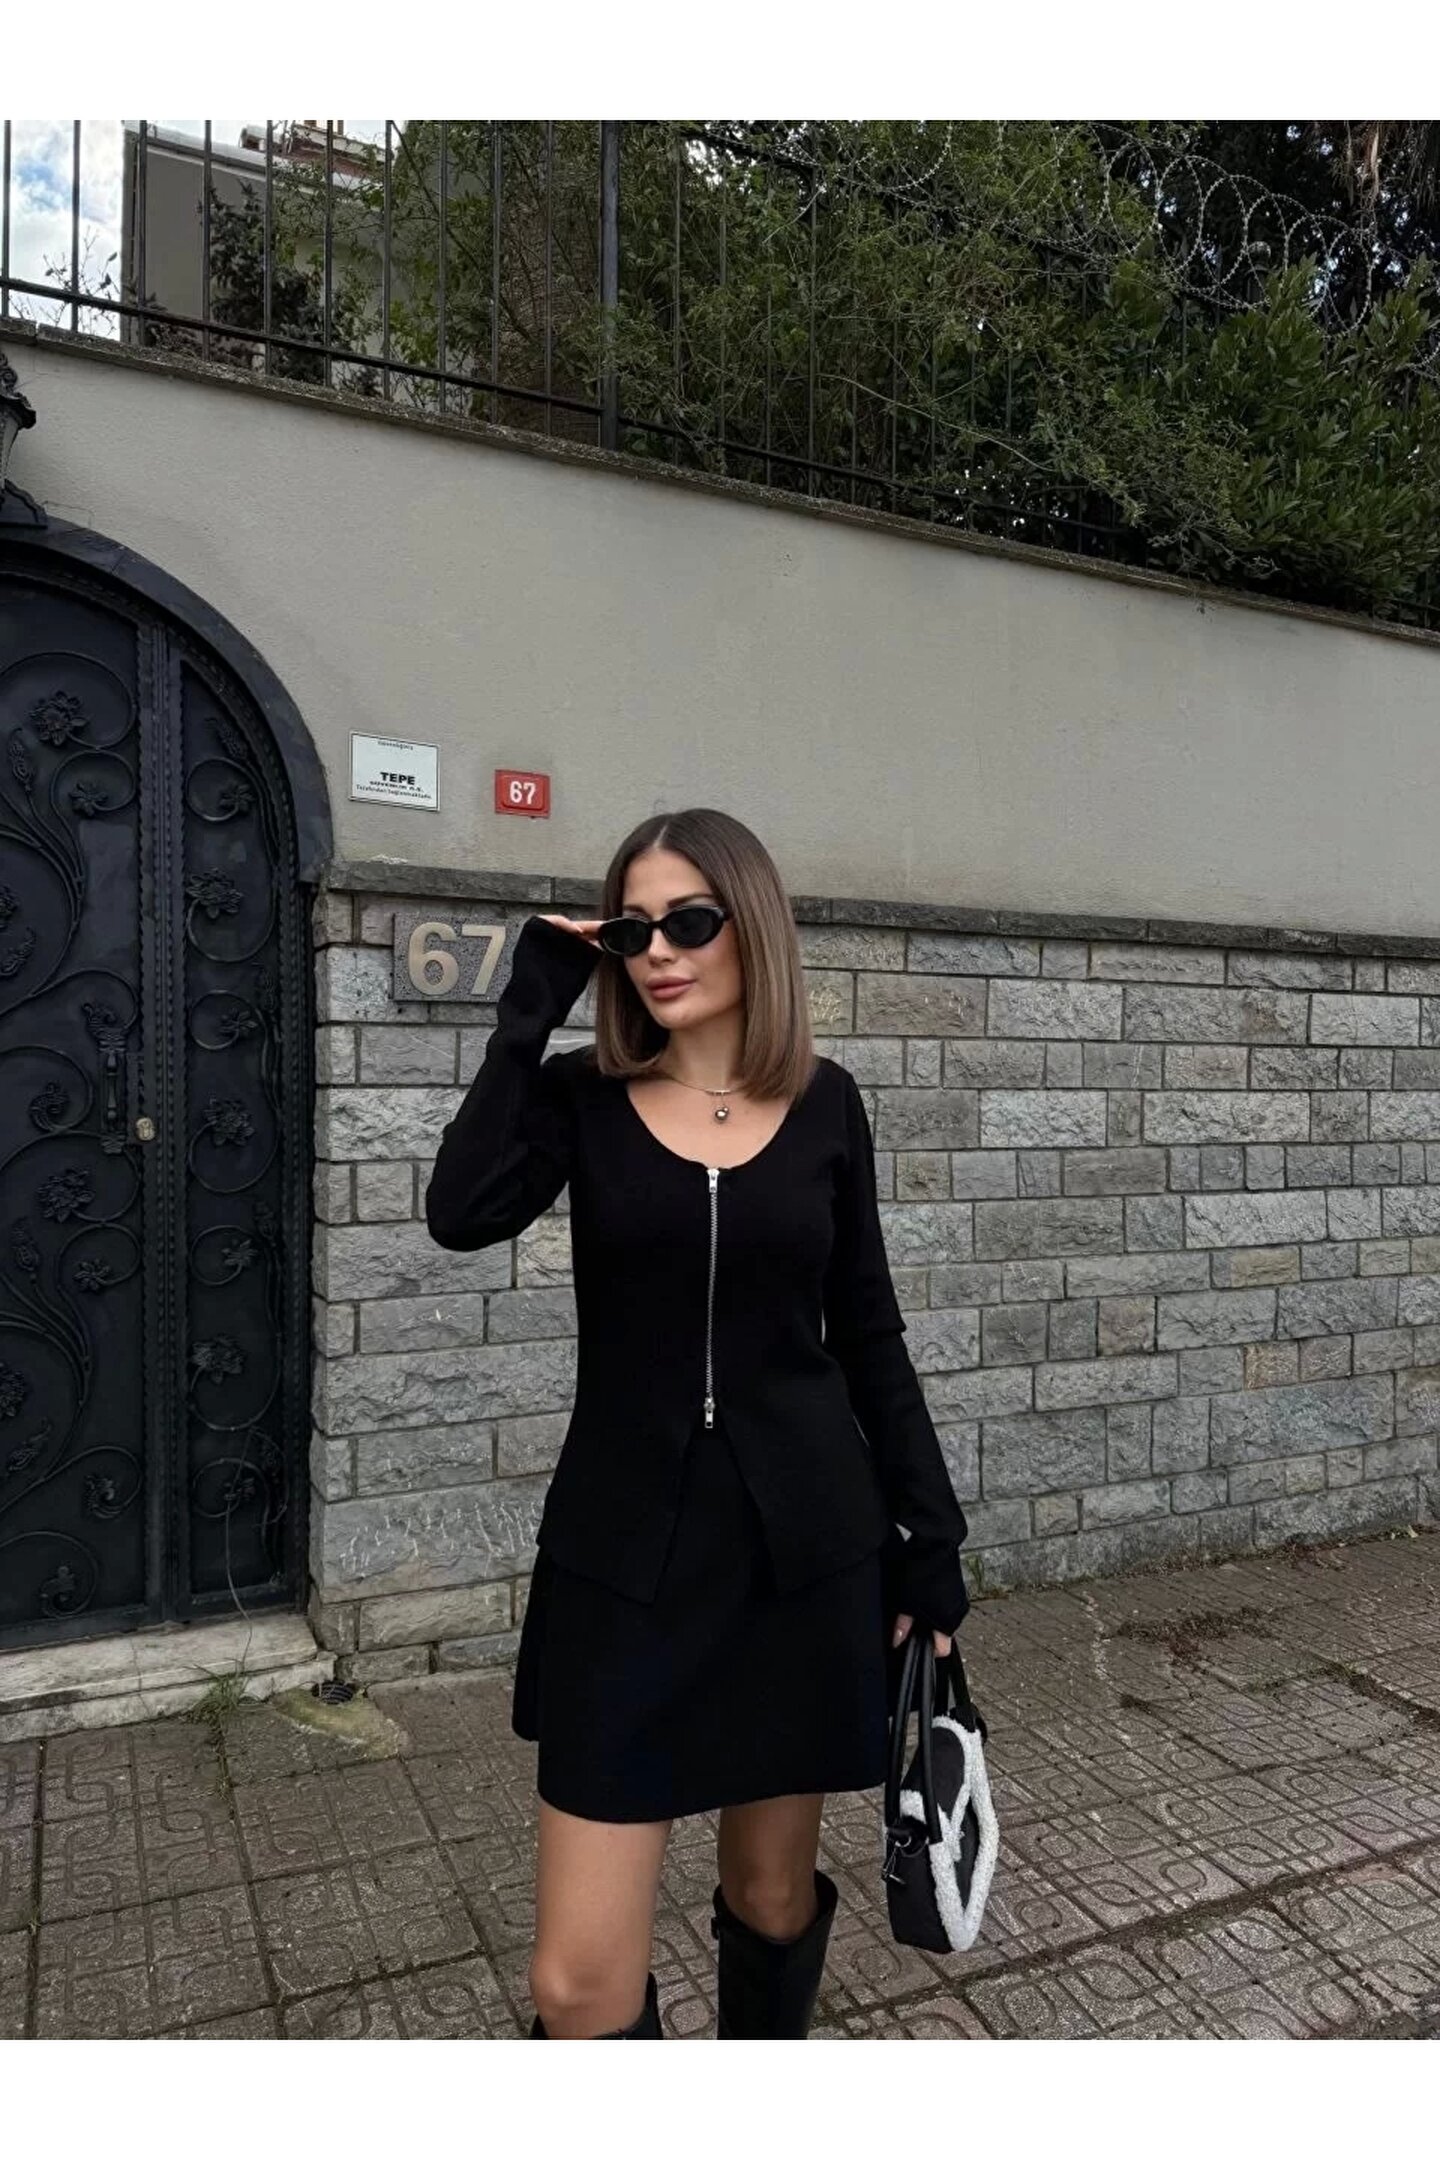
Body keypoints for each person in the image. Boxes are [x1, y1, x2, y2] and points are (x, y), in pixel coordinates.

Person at [424, 807, 969, 2040]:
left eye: (688, 921)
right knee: (576, 1983)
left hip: (802, 1560)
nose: (658, 951)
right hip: (626, 1561)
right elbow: (460, 1212)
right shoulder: (583, 1096)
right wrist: (530, 1009)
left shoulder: (827, 1104)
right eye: (631, 931)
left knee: (772, 1898)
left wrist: (929, 1539)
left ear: (751, 924)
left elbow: (867, 1331)